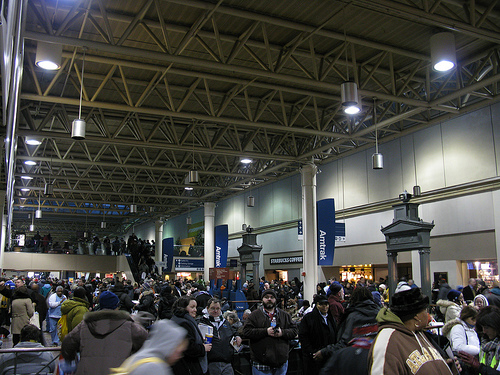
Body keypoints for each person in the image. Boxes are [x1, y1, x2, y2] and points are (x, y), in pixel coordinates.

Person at [368, 287, 457, 374]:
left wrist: (446, 367)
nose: (428, 314)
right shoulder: (387, 341)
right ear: (417, 316)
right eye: (425, 310)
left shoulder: (418, 333)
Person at [61, 290, 148, 375]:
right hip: (118, 371)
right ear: (117, 307)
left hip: (88, 371)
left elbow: (67, 344)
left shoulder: (85, 325)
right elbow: (146, 344)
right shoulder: (129, 326)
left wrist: (73, 358)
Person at [317, 286, 380, 375]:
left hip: (353, 362)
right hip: (377, 361)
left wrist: (325, 351)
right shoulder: (379, 314)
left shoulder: (352, 316)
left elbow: (344, 342)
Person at [242, 288, 298, 375]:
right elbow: (246, 331)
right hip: (261, 364)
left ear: (275, 299)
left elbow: (294, 331)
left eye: (272, 297)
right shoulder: (254, 315)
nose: (269, 299)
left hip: (281, 364)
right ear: (262, 299)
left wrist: (282, 333)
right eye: (266, 297)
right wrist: (265, 331)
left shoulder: (284, 315)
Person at [112, 319, 188, 375]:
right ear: (169, 345)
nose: (180, 356)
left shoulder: (139, 358)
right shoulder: (154, 367)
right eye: (179, 351)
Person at [198, 297, 242, 375]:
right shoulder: (202, 322)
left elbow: (232, 331)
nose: (215, 311)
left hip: (227, 363)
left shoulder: (225, 322)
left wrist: (237, 336)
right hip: (211, 363)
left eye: (218, 308)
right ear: (207, 308)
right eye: (213, 308)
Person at [171, 296, 211, 375]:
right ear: (183, 307)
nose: (195, 310)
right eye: (192, 307)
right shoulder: (184, 323)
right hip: (187, 367)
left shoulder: (177, 319)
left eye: (195, 307)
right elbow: (188, 347)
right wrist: (203, 348)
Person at [298, 294, 336, 374]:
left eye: (326, 304)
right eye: (321, 304)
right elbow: (303, 337)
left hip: (329, 356)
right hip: (313, 359)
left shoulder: (331, 318)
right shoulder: (309, 318)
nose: (324, 307)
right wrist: (312, 353)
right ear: (317, 305)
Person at [459, 305, 500, 374]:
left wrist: (479, 366)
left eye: (486, 328)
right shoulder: (485, 342)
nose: (484, 331)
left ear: (496, 326)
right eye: (482, 327)